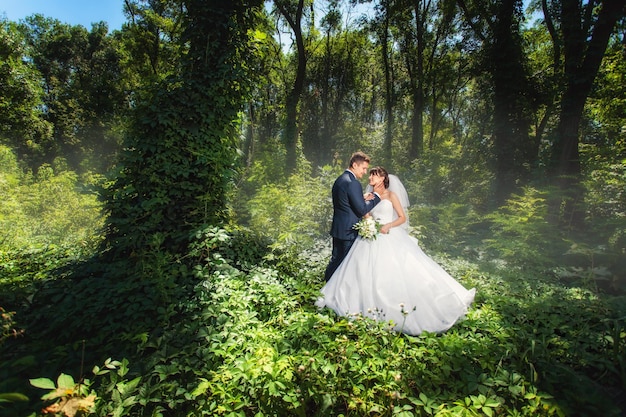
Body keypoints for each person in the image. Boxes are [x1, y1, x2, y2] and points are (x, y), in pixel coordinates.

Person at [316, 166, 475, 335]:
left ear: (383, 178)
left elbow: (402, 217)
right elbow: (363, 212)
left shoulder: (391, 195)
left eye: (374, 175)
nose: (370, 178)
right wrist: (368, 222)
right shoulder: (367, 195)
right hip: (369, 236)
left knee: (392, 272)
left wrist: (388, 225)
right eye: (369, 174)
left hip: (388, 235)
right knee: (360, 271)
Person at [324, 152, 381, 281]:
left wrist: (361, 198)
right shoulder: (353, 182)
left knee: (335, 262)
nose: (365, 172)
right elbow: (362, 210)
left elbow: (345, 203)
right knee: (345, 266)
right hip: (348, 232)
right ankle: (333, 294)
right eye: (364, 168)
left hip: (339, 229)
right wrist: (376, 197)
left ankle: (325, 291)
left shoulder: (341, 179)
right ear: (355, 165)